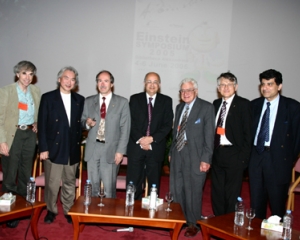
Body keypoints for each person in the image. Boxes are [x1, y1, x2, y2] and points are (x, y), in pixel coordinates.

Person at [249, 69, 300, 219]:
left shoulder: (293, 107)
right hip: (257, 158)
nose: (265, 88)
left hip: (278, 160)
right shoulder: (254, 105)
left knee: (277, 205)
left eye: (270, 84)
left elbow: (297, 138)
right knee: (256, 204)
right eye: (263, 84)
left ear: (279, 86)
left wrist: (287, 160)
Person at [38, 66, 84, 224]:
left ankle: (68, 209)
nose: (69, 82)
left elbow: (80, 125)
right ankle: (51, 210)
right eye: (66, 78)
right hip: (53, 148)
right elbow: (42, 125)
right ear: (59, 79)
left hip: (72, 148)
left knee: (70, 182)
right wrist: (43, 148)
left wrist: (88, 123)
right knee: (52, 183)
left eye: (72, 79)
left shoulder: (79, 100)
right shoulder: (48, 98)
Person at [169, 78, 214, 238]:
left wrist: (206, 158)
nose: (185, 93)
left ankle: (193, 223)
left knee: (193, 190)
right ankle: (179, 220)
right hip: (178, 153)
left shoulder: (206, 107)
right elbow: (176, 132)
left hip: (196, 156)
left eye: (189, 90)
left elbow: (209, 136)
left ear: (196, 91)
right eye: (182, 91)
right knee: (177, 188)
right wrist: (170, 152)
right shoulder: (179, 107)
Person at [0, 61, 40, 228]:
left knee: (25, 173)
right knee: (10, 174)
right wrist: (2, 141)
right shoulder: (6, 91)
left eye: (31, 74)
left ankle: (23, 208)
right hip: (13, 135)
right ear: (17, 74)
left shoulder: (36, 91)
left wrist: (36, 123)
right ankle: (10, 213)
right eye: (24, 73)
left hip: (29, 135)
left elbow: (37, 112)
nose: (27, 77)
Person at [81, 70, 130, 198]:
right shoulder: (88, 101)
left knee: (109, 189)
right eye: (100, 81)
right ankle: (92, 215)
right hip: (93, 148)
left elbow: (125, 129)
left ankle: (108, 216)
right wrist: (87, 123)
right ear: (97, 83)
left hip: (111, 150)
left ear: (112, 84)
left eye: (106, 81)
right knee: (92, 187)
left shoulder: (122, 102)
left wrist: (120, 151)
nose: (102, 84)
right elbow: (81, 121)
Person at [126, 72, 173, 200]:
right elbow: (130, 122)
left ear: (159, 84)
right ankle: (132, 212)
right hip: (136, 148)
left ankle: (151, 213)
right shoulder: (135, 99)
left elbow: (168, 124)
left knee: (154, 186)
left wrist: (151, 139)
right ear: (144, 83)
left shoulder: (166, 101)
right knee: (133, 184)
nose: (152, 85)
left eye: (155, 82)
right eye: (149, 82)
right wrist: (141, 140)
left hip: (156, 148)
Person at [211, 72, 252, 216]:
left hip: (235, 155)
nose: (226, 87)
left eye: (229, 84)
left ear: (236, 87)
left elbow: (248, 134)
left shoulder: (243, 104)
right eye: (222, 84)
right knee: (217, 191)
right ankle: (218, 221)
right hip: (217, 154)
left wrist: (243, 160)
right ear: (218, 88)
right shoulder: (216, 104)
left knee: (231, 193)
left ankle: (227, 223)